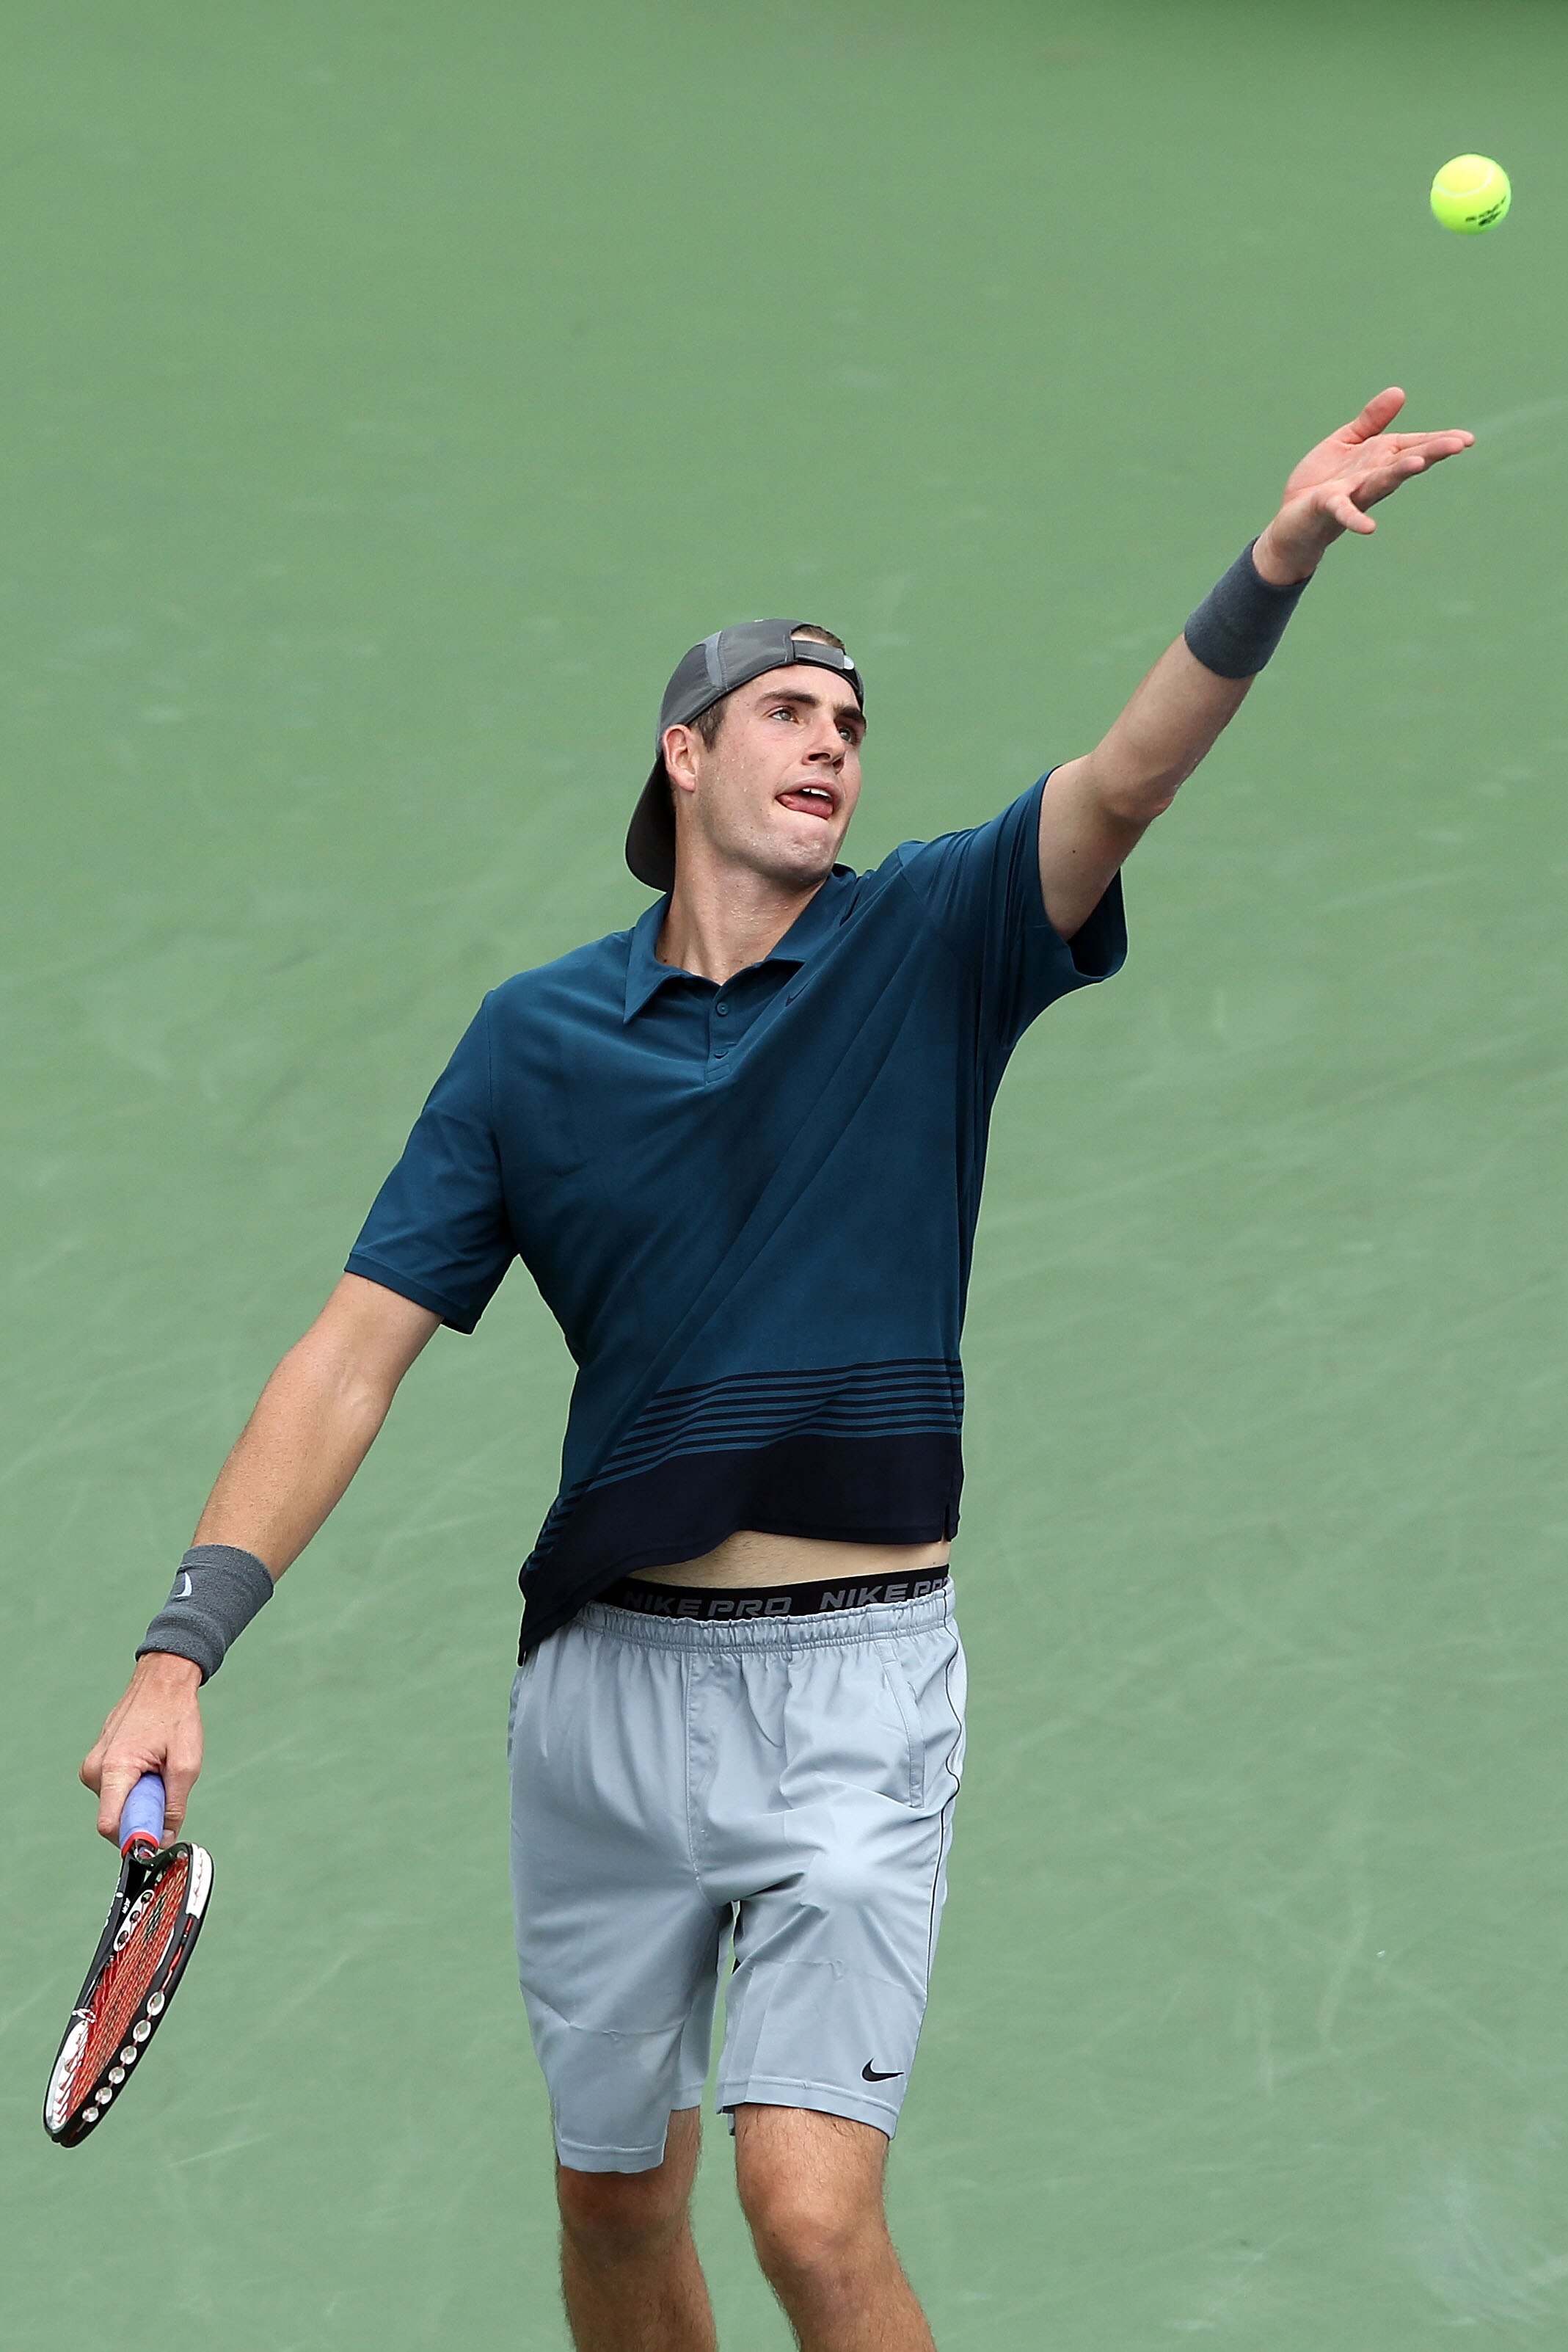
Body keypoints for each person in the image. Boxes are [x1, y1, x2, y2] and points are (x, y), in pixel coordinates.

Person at [83, 388, 1471, 2352]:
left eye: (850, 724)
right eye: (789, 711)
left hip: (852, 1691)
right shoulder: (532, 1044)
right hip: (600, 1709)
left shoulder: (931, 938)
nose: (830, 739)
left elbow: (1127, 779)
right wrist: (177, 1646)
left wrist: (1277, 557)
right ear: (687, 752)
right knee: (616, 2215)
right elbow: (350, 1356)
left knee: (806, 2214)